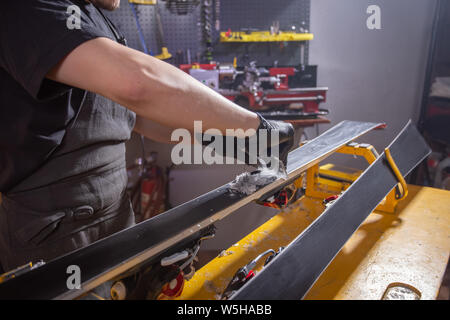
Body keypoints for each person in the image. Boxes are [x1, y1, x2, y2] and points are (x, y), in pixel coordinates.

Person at [0, 0, 294, 273]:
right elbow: (138, 83)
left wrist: (223, 138)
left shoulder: (91, 13)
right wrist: (256, 126)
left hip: (109, 208)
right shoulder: (32, 7)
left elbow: (133, 115)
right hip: (55, 229)